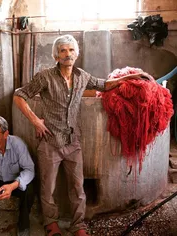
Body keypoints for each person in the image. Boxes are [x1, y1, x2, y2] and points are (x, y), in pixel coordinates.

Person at [13, 34, 147, 236]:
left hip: (73, 142)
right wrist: (35, 120)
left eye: (71, 50)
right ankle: (50, 223)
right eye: (63, 51)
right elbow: (19, 95)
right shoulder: (44, 77)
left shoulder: (82, 76)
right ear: (56, 56)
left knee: (77, 187)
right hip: (50, 142)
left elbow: (104, 84)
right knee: (47, 188)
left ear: (77, 53)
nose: (68, 54)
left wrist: (128, 77)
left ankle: (78, 225)